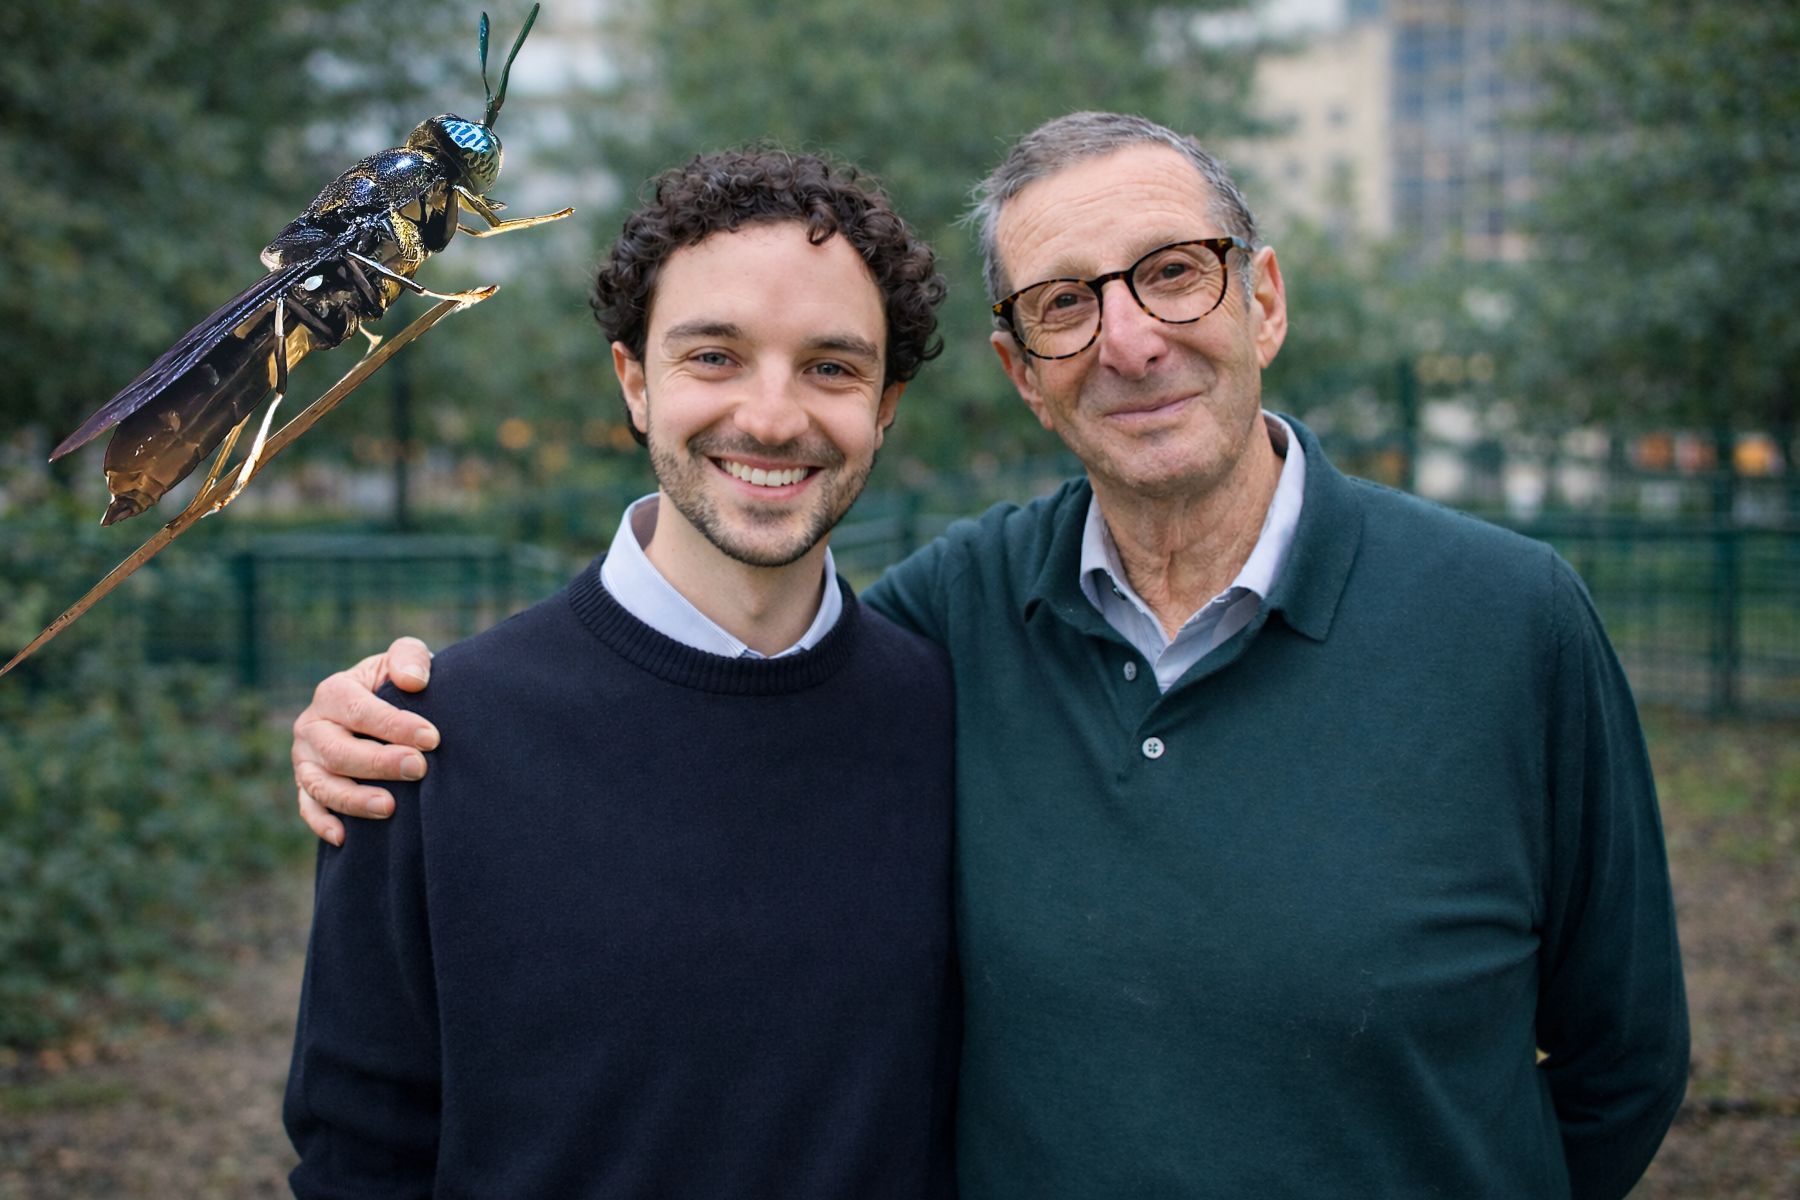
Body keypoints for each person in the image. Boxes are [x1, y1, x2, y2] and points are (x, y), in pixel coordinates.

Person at [290, 113, 1689, 1199]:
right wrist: (391, 714)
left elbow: (1621, 1066)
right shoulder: (953, 625)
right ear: (1023, 369)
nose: (1129, 340)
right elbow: (701, 675)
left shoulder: (1510, 621)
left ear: (1262, 299)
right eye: (1066, 302)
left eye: (1174, 275)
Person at [282, 149, 960, 1198]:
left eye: (832, 367)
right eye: (714, 357)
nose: (772, 417)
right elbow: (358, 1158)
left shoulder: (948, 720)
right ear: (635, 381)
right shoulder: (423, 742)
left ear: (886, 404)